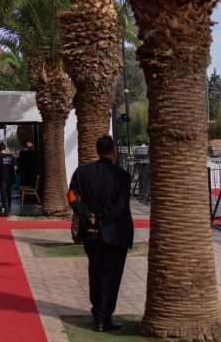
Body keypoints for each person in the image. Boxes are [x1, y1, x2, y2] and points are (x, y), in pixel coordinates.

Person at [67, 135, 133, 333]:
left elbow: (72, 197)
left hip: (91, 232)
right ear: (113, 151)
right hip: (115, 234)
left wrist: (88, 215)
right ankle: (104, 318)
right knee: (110, 275)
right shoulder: (122, 176)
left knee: (95, 272)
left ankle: (98, 312)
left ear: (97, 150)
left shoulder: (82, 172)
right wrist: (101, 219)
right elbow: (121, 206)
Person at [0, 142, 16, 215]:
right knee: (9, 194)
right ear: (5, 149)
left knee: (3, 194)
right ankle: (9, 209)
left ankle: (6, 210)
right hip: (10, 178)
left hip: (2, 178)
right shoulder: (11, 157)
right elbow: (15, 167)